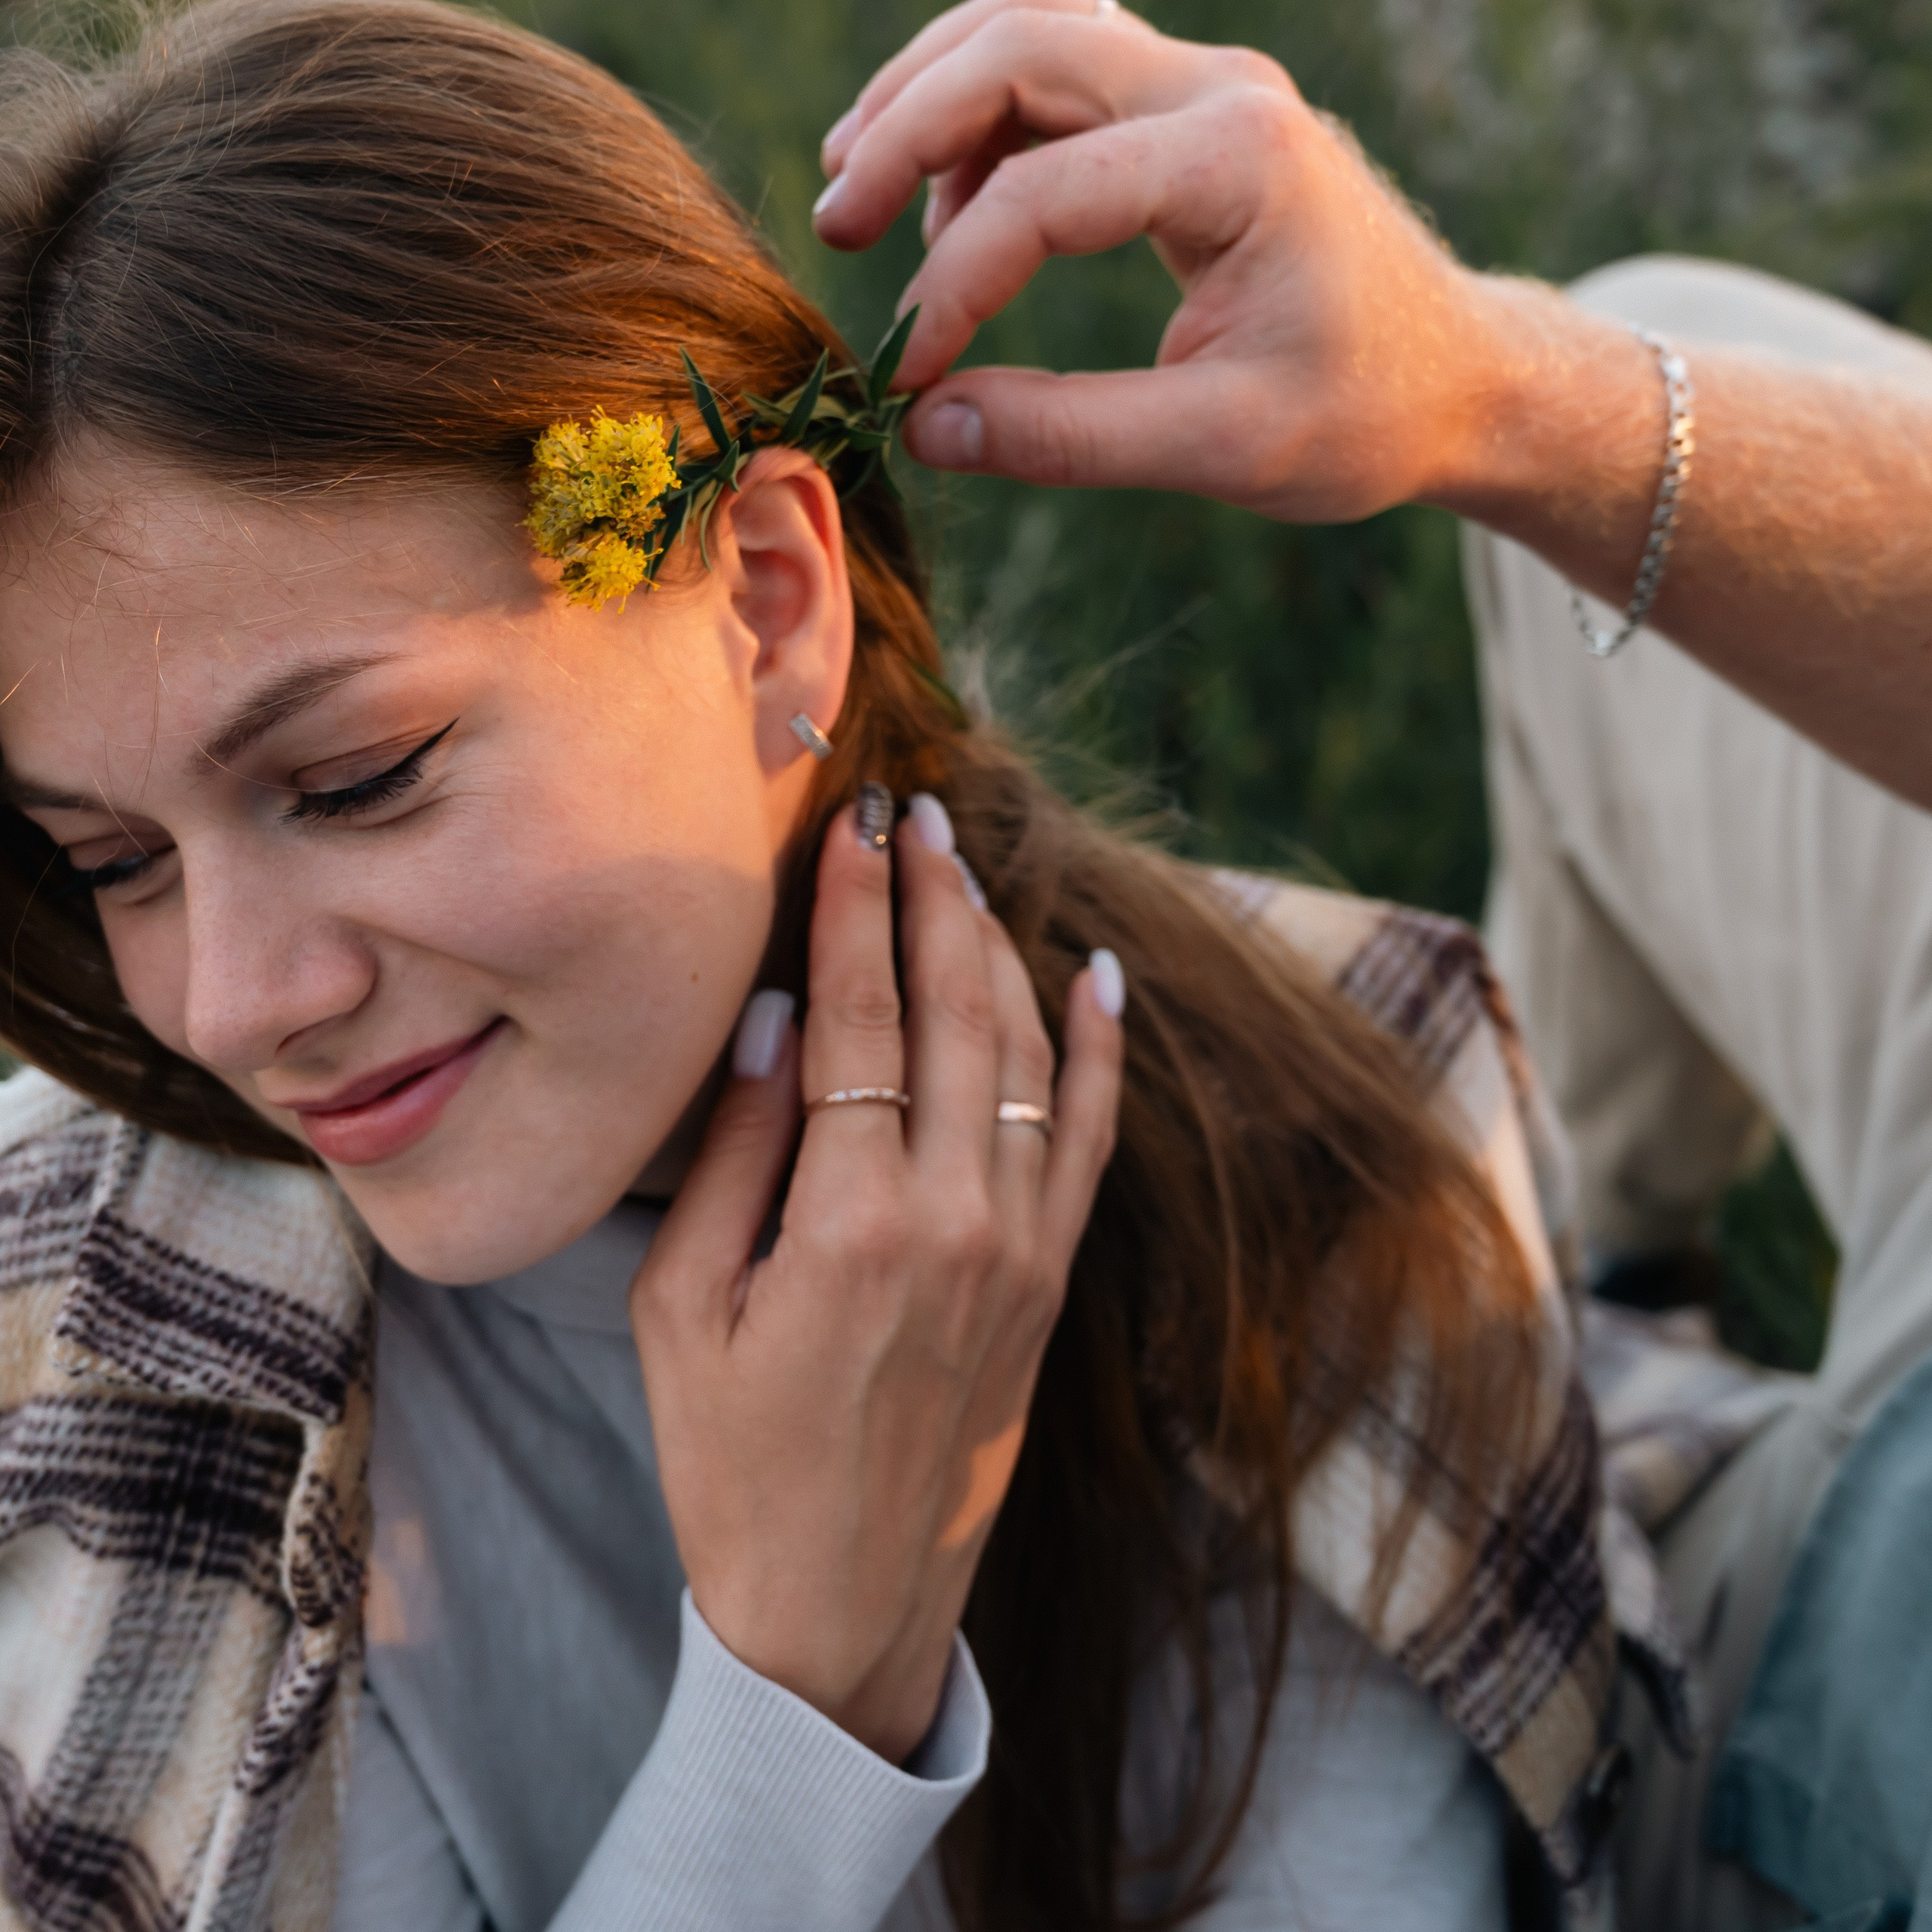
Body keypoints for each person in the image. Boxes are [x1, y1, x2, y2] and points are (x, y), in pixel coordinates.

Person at [0, 3, 1675, 1930]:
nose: (230, 1004)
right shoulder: (101, 1360)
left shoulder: (1297, 1139)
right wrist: (798, 1693)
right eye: (113, 858)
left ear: (766, 605)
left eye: (358, 777)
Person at [810, 3, 1932, 1928]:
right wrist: (1495, 389)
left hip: (1822, 1675)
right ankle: (1611, 1267)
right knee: (1643, 359)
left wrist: (790, 1691)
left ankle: (1599, 1361)